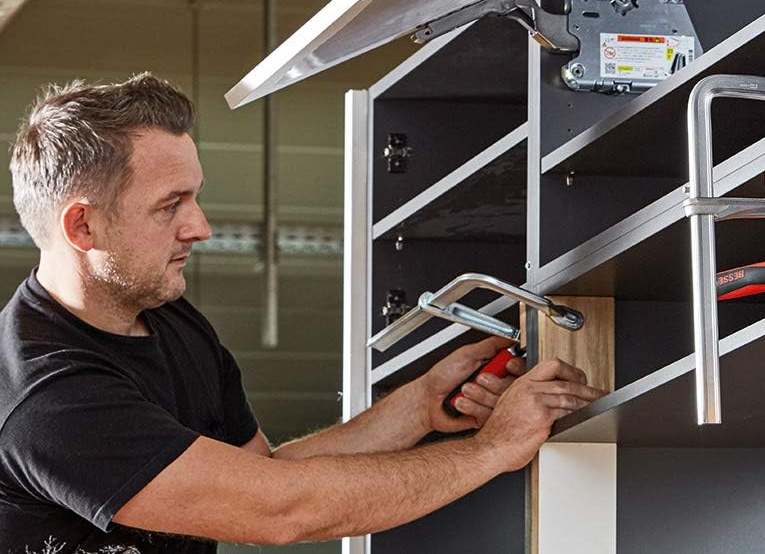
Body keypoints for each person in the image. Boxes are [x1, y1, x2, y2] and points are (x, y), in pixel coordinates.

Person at [0, 73, 603, 551]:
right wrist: (493, 450)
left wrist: (418, 406)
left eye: (196, 196)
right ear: (83, 225)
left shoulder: (167, 320)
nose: (201, 226)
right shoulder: (49, 398)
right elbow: (275, 507)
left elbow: (257, 472)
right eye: (169, 205)